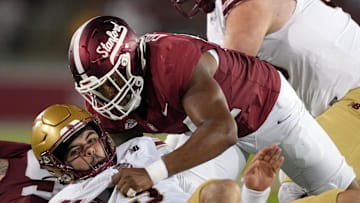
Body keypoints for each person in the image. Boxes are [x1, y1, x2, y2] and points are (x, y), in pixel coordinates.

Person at [66, 15, 360, 201]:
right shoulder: (103, 99)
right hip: (203, 126)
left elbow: (223, 129)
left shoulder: (171, 60)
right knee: (193, 196)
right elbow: (119, 158)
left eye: (109, 83)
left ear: (130, 61)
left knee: (348, 194)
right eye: (96, 90)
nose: (105, 97)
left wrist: (152, 173)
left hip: (266, 110)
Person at [171, 0, 360, 202]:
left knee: (305, 193)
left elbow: (231, 90)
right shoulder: (220, 9)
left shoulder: (249, 7)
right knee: (192, 187)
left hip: (352, 95)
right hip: (313, 108)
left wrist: (165, 161)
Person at [30, 103, 284, 203]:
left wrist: (253, 191)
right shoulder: (70, 198)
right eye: (76, 152)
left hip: (187, 192)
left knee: (223, 188)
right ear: (59, 166)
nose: (91, 152)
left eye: (91, 139)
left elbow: (183, 182)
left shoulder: (136, 148)